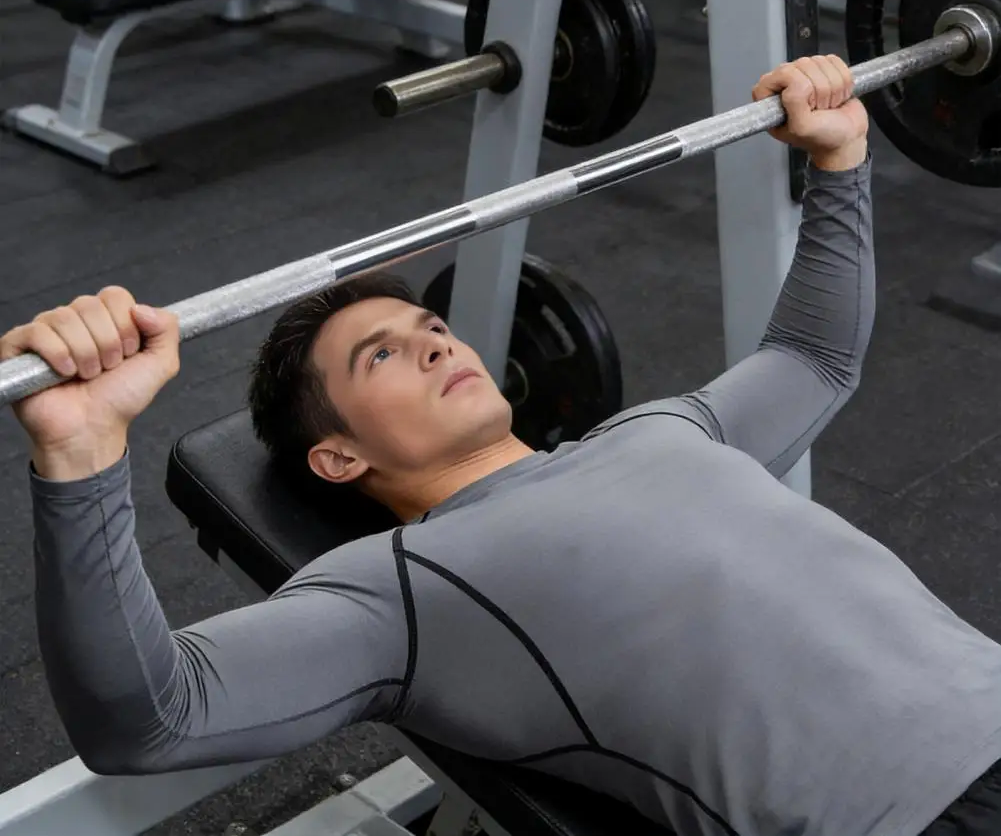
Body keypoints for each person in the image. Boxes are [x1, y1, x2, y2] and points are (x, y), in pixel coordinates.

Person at [5, 55, 1001, 836]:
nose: (435, 335)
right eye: (380, 354)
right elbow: (149, 716)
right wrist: (83, 452)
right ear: (339, 455)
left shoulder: (659, 426)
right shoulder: (400, 587)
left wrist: (839, 154)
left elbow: (814, 355)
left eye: (425, 324)